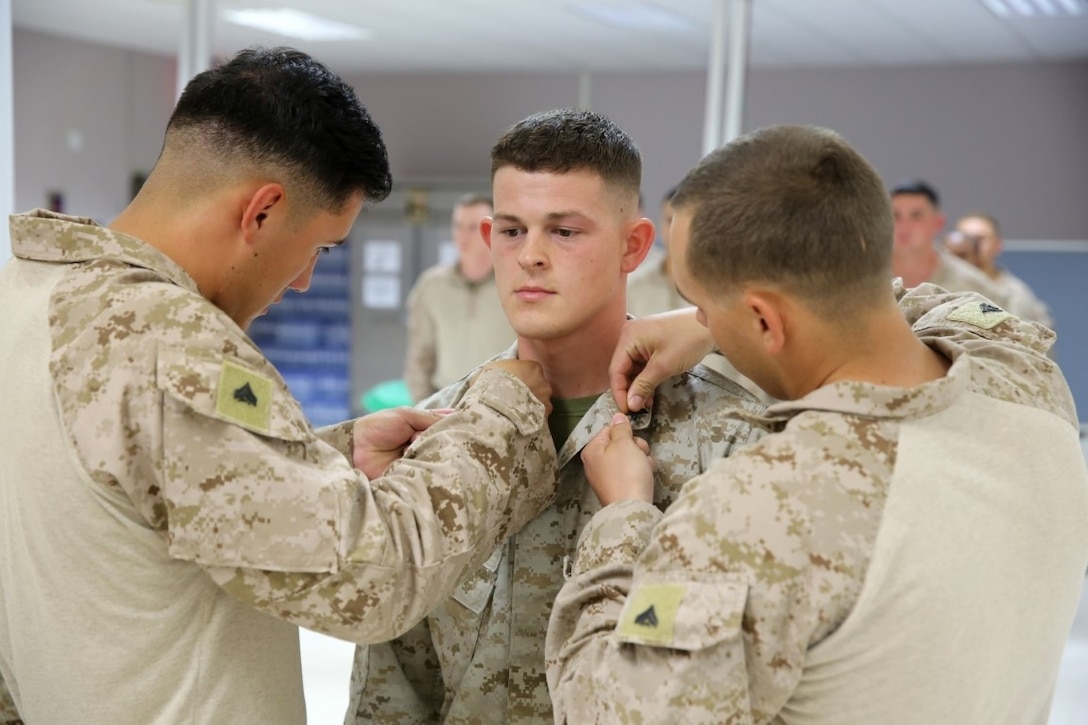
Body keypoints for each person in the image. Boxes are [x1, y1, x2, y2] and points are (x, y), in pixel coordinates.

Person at [0, 47, 559, 725]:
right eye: (320, 247)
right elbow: (373, 573)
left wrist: (330, 455)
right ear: (261, 212)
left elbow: (126, 488)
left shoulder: (27, 297)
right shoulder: (165, 341)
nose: (302, 281)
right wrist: (502, 411)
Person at [546, 124, 1088, 724]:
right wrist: (710, 324)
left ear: (765, 321)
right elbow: (945, 309)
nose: (696, 317)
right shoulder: (1027, 382)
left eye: (700, 302)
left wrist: (621, 518)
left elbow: (610, 713)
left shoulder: (765, 507)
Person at [346, 108, 766, 723]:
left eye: (564, 232)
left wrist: (713, 324)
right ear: (489, 241)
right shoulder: (440, 434)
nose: (531, 257)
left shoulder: (728, 443)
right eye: (513, 231)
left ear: (634, 246)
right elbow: (394, 685)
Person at [628, 186, 774, 404]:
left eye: (692, 224)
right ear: (659, 224)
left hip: (723, 414)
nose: (678, 231)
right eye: (670, 220)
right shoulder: (633, 286)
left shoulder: (737, 292)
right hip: (648, 409)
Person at [403, 193, 515, 403]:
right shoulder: (430, 286)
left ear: (489, 231)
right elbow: (419, 359)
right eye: (458, 226)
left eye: (472, 227)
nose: (463, 235)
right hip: (446, 405)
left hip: (504, 403)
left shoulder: (514, 284)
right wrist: (423, 409)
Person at [890, 178, 1011, 307]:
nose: (904, 227)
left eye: (916, 216)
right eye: (896, 216)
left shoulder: (974, 287)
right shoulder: (869, 276)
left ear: (938, 222)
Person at [946, 211, 1055, 327]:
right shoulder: (938, 283)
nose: (971, 245)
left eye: (980, 239)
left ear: (997, 244)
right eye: (965, 238)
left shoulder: (1017, 294)